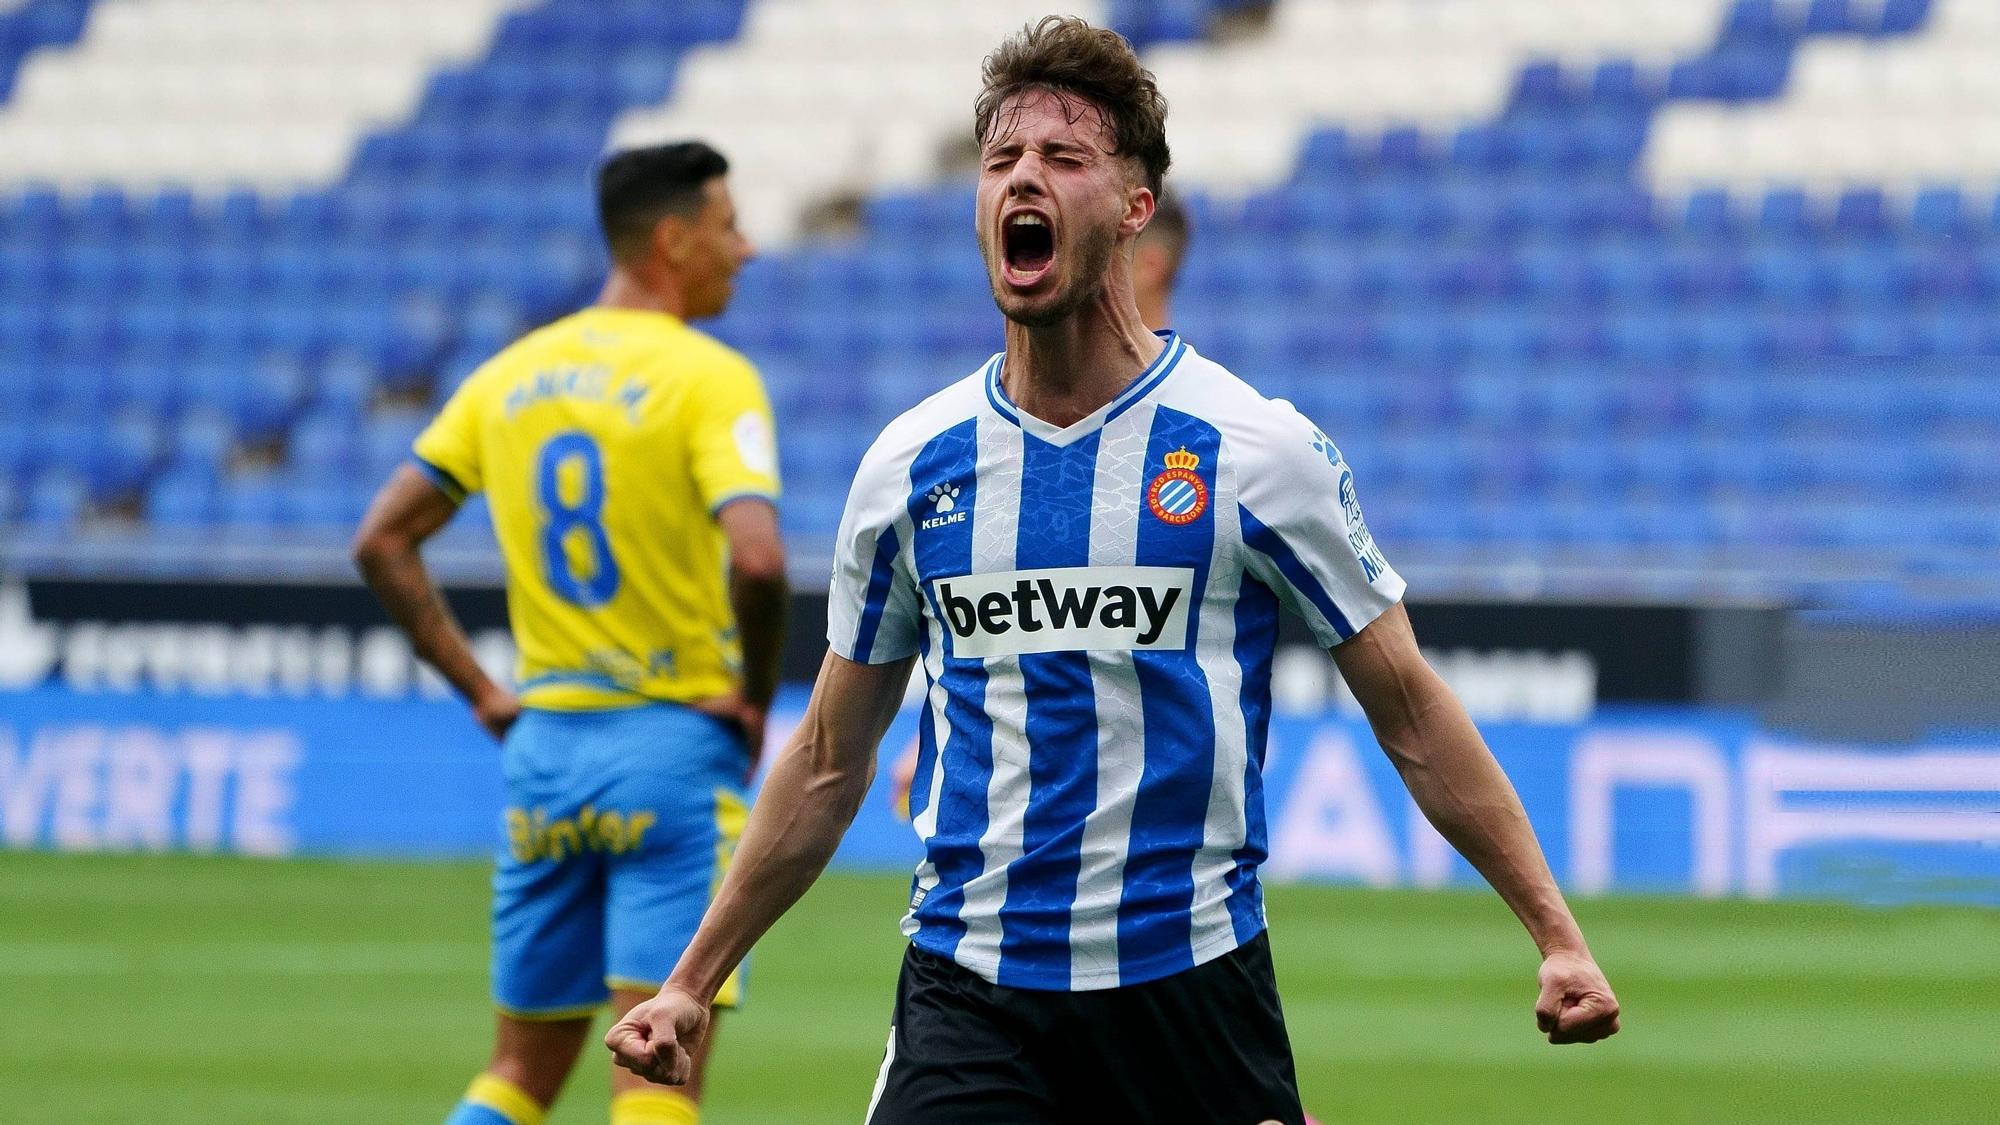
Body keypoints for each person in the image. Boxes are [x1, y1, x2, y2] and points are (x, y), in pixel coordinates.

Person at [607, 18, 1619, 1124]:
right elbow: (824, 762)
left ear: (1135, 208)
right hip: (970, 989)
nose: (1021, 179)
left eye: (1062, 157)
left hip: (1186, 988)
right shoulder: (909, 466)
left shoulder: (1251, 449)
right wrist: (691, 981)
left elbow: (1411, 711)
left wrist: (1554, 935)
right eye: (1000, 161)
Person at [354, 141, 785, 1125]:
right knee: (654, 1070)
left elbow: (382, 540)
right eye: (727, 228)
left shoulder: (509, 374)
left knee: (517, 1070)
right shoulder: (708, 378)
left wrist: (483, 691)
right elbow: (757, 560)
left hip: (542, 757)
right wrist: (754, 699)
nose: (746, 249)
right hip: (671, 750)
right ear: (671, 241)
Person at [885, 185, 1187, 819]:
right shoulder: (955, 439)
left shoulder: (1213, 429)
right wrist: (956, 738)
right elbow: (1024, 602)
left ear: (1142, 250)